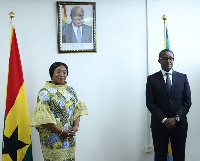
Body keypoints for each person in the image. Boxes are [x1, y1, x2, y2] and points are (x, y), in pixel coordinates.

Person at [30, 62, 88, 161]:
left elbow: (77, 109)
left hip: (69, 136)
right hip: (52, 137)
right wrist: (61, 131)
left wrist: (75, 126)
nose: (62, 74)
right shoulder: (45, 92)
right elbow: (43, 119)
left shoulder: (70, 90)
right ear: (51, 74)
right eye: (58, 72)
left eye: (64, 72)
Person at [146, 49, 191, 161]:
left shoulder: (183, 77)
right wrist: (164, 119)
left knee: (179, 156)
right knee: (160, 156)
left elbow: (187, 101)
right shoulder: (152, 79)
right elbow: (150, 103)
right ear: (159, 61)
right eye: (165, 58)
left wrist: (175, 118)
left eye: (170, 58)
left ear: (173, 60)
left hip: (179, 124)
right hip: (159, 125)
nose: (168, 61)